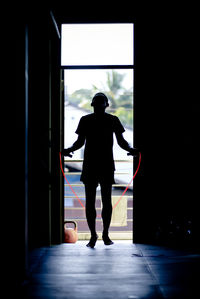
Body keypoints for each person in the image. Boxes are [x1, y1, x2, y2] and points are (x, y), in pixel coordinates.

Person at [62, 92, 138, 248]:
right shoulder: (111, 120)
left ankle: (97, 235)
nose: (98, 106)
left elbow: (79, 143)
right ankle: (102, 235)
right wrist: (131, 149)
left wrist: (68, 150)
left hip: (95, 165)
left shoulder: (89, 120)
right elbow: (122, 142)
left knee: (94, 202)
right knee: (103, 201)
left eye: (99, 103)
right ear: (107, 104)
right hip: (103, 165)